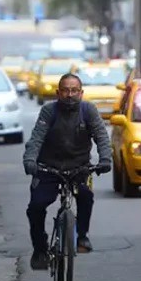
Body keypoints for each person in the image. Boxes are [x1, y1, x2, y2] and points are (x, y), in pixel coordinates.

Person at [22, 73, 111, 270]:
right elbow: (36, 138)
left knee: (86, 196)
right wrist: (30, 160)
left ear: (81, 93)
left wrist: (105, 159)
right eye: (65, 90)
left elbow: (101, 136)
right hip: (48, 168)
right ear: (58, 92)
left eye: (74, 91)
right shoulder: (49, 111)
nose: (69, 95)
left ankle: (82, 236)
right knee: (36, 207)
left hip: (79, 168)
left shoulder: (88, 110)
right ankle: (40, 249)